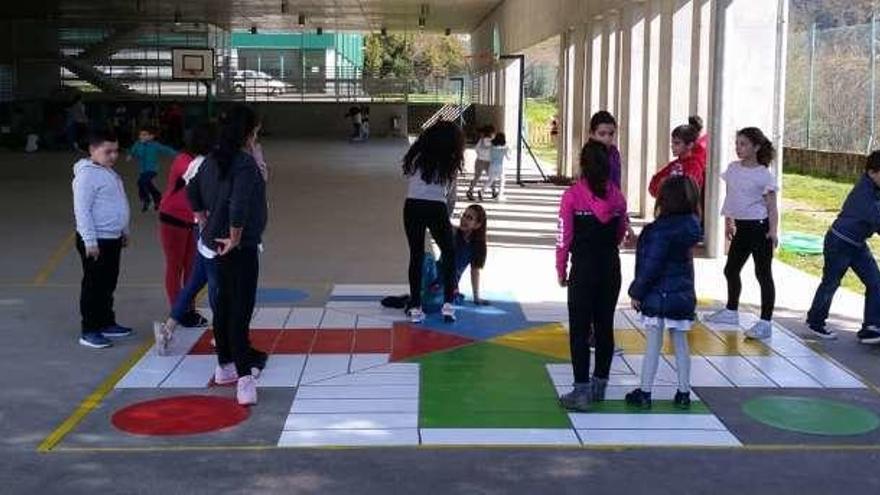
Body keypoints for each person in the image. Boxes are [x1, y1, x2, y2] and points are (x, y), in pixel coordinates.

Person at [187, 105, 267, 406]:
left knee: (223, 304)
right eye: (256, 130)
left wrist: (203, 220)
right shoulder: (243, 164)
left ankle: (224, 366)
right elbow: (239, 203)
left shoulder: (212, 159)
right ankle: (244, 379)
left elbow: (191, 190)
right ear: (249, 132)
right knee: (240, 308)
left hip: (216, 244)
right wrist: (234, 235)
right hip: (238, 246)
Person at [557, 140, 630, 411]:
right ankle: (600, 386)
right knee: (604, 327)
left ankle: (581, 391)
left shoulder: (572, 196)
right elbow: (621, 231)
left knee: (579, 331)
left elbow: (563, 237)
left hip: (583, 270)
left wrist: (561, 268)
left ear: (582, 166)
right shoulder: (618, 197)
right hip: (610, 268)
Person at [625, 176, 703, 409]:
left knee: (653, 344)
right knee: (681, 344)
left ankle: (645, 391)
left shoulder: (657, 231)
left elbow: (651, 266)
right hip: (681, 295)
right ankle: (683, 392)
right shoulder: (691, 226)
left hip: (658, 296)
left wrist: (636, 291)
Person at [704, 127, 779, 340]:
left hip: (759, 228)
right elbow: (731, 197)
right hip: (742, 229)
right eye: (737, 143)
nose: (738, 148)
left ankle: (765, 323)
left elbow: (772, 207)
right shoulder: (733, 169)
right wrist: (729, 222)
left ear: (756, 147)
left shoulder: (764, 175)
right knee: (731, 269)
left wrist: (773, 231)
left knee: (763, 274)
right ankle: (731, 311)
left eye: (743, 144)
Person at [806, 152, 880, 343]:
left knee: (875, 282)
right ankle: (815, 321)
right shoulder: (865, 193)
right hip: (840, 242)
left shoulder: (875, 188)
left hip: (856, 243)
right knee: (831, 282)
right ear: (872, 172)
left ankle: (871, 327)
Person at [72, 130, 133, 348]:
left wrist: (124, 230)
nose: (114, 156)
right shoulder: (86, 176)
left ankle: (107, 322)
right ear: (92, 150)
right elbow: (82, 211)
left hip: (112, 238)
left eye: (116, 151)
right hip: (96, 241)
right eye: (108, 151)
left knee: (108, 282)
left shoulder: (108, 172)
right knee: (94, 285)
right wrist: (89, 241)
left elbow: (119, 203)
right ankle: (89, 329)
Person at [402, 121, 464, 324]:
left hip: (412, 206)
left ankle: (415, 306)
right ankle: (448, 304)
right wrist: (446, 218)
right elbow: (451, 197)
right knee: (449, 252)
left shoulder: (417, 154)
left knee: (416, 255)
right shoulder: (449, 160)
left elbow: (411, 178)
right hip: (436, 207)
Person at [157, 124, 215, 333]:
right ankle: (178, 311)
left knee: (191, 268)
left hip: (192, 222)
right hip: (172, 219)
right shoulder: (185, 161)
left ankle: (187, 309)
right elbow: (202, 176)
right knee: (175, 266)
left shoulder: (201, 160)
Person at [382, 204, 489, 311]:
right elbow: (437, 223)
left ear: (478, 225)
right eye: (464, 215)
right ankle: (416, 297)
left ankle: (409, 300)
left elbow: (475, 272)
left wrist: (476, 297)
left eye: (469, 218)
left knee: (434, 304)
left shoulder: (477, 247)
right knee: (426, 257)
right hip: (434, 274)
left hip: (449, 284)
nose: (464, 219)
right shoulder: (453, 232)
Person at [128, 126, 177, 212]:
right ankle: (157, 197)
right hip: (142, 170)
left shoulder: (155, 145)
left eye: (144, 135)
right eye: (140, 135)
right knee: (147, 184)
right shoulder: (137, 144)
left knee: (141, 182)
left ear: (151, 136)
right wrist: (130, 155)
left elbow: (166, 150)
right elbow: (133, 151)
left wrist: (178, 155)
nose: (141, 137)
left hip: (152, 169)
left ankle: (146, 200)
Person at [648, 125, 705, 198]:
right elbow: (653, 185)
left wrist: (666, 189)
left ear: (690, 145)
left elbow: (686, 192)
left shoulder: (694, 166)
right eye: (672, 143)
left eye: (677, 143)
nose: (672, 146)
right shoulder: (674, 164)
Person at [588, 111, 622, 188]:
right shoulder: (588, 155)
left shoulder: (614, 153)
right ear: (591, 134)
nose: (607, 139)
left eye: (611, 134)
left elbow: (617, 183)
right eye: (602, 134)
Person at [467, 125, 494, 201]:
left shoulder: (481, 140)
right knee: (491, 177)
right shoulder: (492, 141)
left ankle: (470, 190)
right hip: (488, 162)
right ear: (491, 133)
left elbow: (476, 149)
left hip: (479, 161)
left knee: (476, 177)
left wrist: (480, 154)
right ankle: (493, 191)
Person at [485, 132, 510, 200]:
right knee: (502, 180)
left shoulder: (491, 147)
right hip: (499, 167)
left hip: (491, 165)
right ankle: (500, 195)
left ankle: (482, 191)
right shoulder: (504, 148)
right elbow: (508, 158)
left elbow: (487, 144)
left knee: (490, 180)